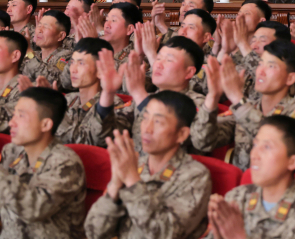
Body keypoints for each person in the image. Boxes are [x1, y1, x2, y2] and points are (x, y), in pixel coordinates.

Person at [85, 92, 211, 239]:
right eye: (145, 118)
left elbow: (163, 234)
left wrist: (132, 180)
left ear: (182, 134)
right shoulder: (135, 164)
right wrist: (115, 186)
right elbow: (94, 232)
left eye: (158, 122)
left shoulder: (194, 175)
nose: (147, 129)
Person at [0, 87, 86, 239]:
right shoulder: (12, 152)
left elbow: (34, 208)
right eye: (13, 115)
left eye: (21, 116)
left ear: (45, 125)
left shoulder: (65, 162)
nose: (11, 122)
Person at [190, 41, 295, 170]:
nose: (260, 71)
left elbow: (278, 145)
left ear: (290, 78)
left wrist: (237, 98)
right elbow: (202, 141)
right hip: (242, 188)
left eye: (271, 66)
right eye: (260, 64)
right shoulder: (247, 107)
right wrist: (212, 97)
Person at [206, 116, 295, 239]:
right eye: (255, 145)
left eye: (267, 147)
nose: (254, 155)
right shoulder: (237, 197)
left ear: (292, 162)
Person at [118, 35, 209, 152]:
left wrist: (140, 95)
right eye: (158, 58)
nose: (158, 65)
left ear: (189, 72)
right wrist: (108, 93)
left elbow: (197, 140)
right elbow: (106, 132)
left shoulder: (198, 104)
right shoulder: (147, 97)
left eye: (169, 60)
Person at [20, 10, 72, 85]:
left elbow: (54, 81)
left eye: (46, 27)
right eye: (39, 26)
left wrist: (29, 52)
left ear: (61, 36)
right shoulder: (36, 54)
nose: (39, 30)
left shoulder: (67, 56)